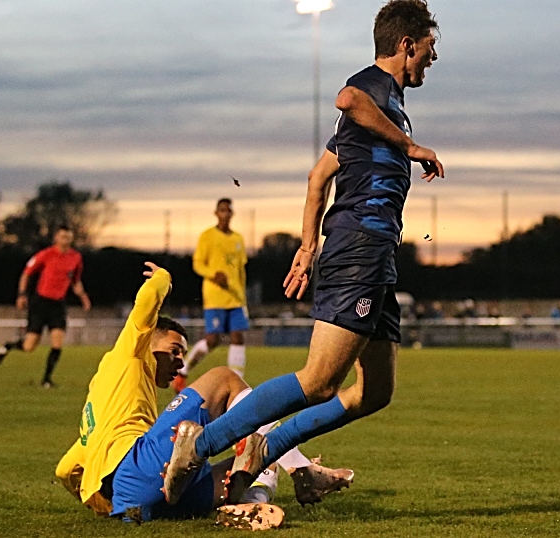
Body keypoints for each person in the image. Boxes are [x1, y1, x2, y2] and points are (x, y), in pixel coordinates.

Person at [162, 0, 442, 506]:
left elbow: (318, 178)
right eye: (429, 48)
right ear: (406, 45)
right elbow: (347, 97)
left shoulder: (386, 109)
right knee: (318, 382)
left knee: (374, 392)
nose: (432, 58)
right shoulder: (372, 91)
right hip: (359, 247)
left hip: (372, 256)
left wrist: (307, 245)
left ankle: (266, 447)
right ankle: (198, 445)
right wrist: (410, 145)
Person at [55, 262, 353, 528]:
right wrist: (163, 279)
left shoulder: (99, 412)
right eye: (174, 351)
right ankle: (300, 468)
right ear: (148, 344)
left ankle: (246, 502)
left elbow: (66, 470)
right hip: (139, 468)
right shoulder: (127, 356)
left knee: (260, 459)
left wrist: (108, 505)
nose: (180, 362)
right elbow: (143, 309)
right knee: (225, 378)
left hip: (139, 503)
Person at [0, 225, 91, 387]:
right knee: (29, 346)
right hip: (40, 303)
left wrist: (83, 296)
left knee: (57, 342)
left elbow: (75, 280)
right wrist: (21, 294)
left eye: (68, 237)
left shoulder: (75, 258)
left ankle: (46, 380)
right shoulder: (46, 254)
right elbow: (26, 273)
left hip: (58, 305)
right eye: (62, 237)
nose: (65, 240)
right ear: (56, 238)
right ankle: (8, 346)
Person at [172, 198, 249, 394]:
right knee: (213, 339)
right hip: (215, 296)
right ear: (216, 213)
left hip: (236, 298)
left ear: (232, 214)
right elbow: (197, 264)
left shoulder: (238, 239)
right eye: (222, 210)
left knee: (238, 337)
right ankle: (183, 370)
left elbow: (241, 271)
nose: (225, 214)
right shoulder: (207, 236)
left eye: (228, 211)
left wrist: (243, 298)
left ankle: (236, 384)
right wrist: (213, 275)